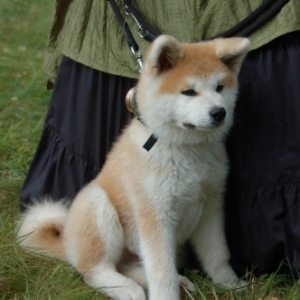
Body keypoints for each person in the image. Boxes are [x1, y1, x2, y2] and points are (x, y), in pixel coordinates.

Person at [20, 0, 300, 277]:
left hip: (166, 233)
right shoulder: (145, 146)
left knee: (207, 206)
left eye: (218, 88)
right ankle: (101, 271)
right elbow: (153, 220)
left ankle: (146, 271)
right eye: (190, 92)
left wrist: (220, 269)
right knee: (128, 210)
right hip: (121, 234)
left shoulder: (212, 145)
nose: (216, 106)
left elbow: (208, 213)